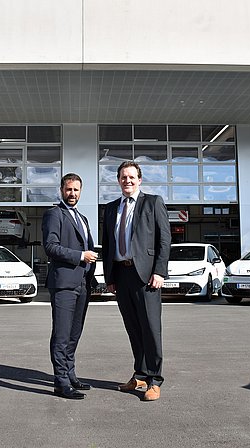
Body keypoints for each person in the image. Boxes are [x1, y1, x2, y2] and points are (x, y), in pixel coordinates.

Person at [102, 161, 171, 402]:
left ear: (139, 180)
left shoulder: (153, 203)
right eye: (123, 177)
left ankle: (154, 380)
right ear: (118, 180)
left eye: (132, 177)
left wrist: (160, 271)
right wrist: (109, 277)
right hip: (122, 275)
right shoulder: (111, 208)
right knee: (133, 328)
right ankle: (140, 374)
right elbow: (108, 245)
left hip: (147, 276)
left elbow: (164, 240)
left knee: (151, 329)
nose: (127, 181)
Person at [42, 173, 98, 400]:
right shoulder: (54, 214)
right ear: (61, 190)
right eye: (68, 190)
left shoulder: (82, 218)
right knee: (62, 335)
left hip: (83, 284)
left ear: (80, 191)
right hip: (64, 284)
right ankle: (61, 382)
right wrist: (80, 255)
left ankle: (71, 374)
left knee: (75, 334)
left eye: (76, 190)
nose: (72, 194)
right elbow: (51, 247)